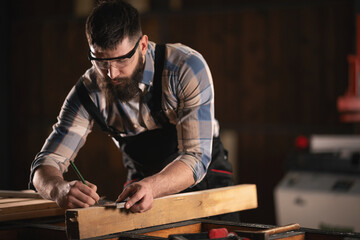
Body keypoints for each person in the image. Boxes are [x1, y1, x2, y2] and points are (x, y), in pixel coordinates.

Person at [29, 0, 235, 219]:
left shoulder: (185, 68)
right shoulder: (86, 93)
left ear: (143, 45)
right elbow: (45, 164)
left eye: (121, 60)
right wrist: (58, 189)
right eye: (100, 61)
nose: (111, 74)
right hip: (141, 184)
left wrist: (152, 187)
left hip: (205, 181)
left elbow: (195, 157)